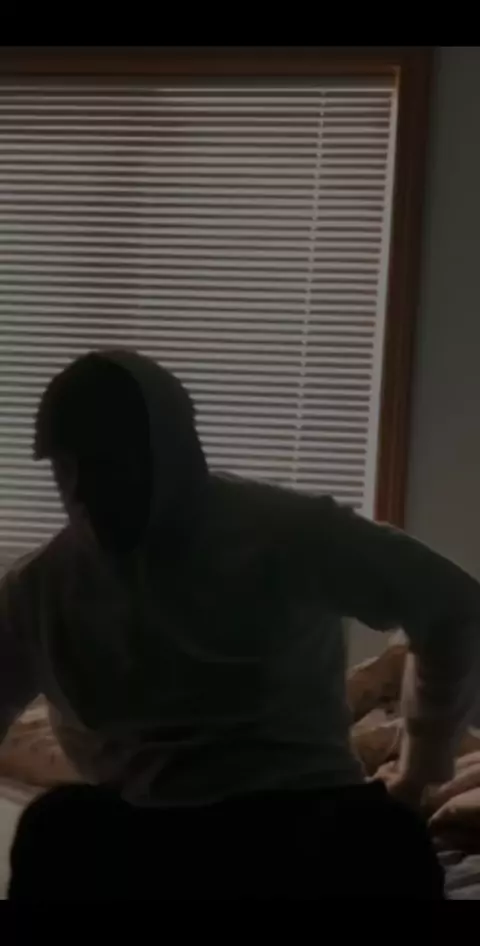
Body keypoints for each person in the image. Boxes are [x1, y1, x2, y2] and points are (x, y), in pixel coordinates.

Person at [1, 348, 479, 900]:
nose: (82, 491)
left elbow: (452, 606)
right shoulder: (38, 588)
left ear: (174, 451)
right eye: (65, 467)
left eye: (108, 464)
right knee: (56, 830)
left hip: (305, 816)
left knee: (387, 842)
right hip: (139, 831)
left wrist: (419, 769)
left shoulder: (290, 532)